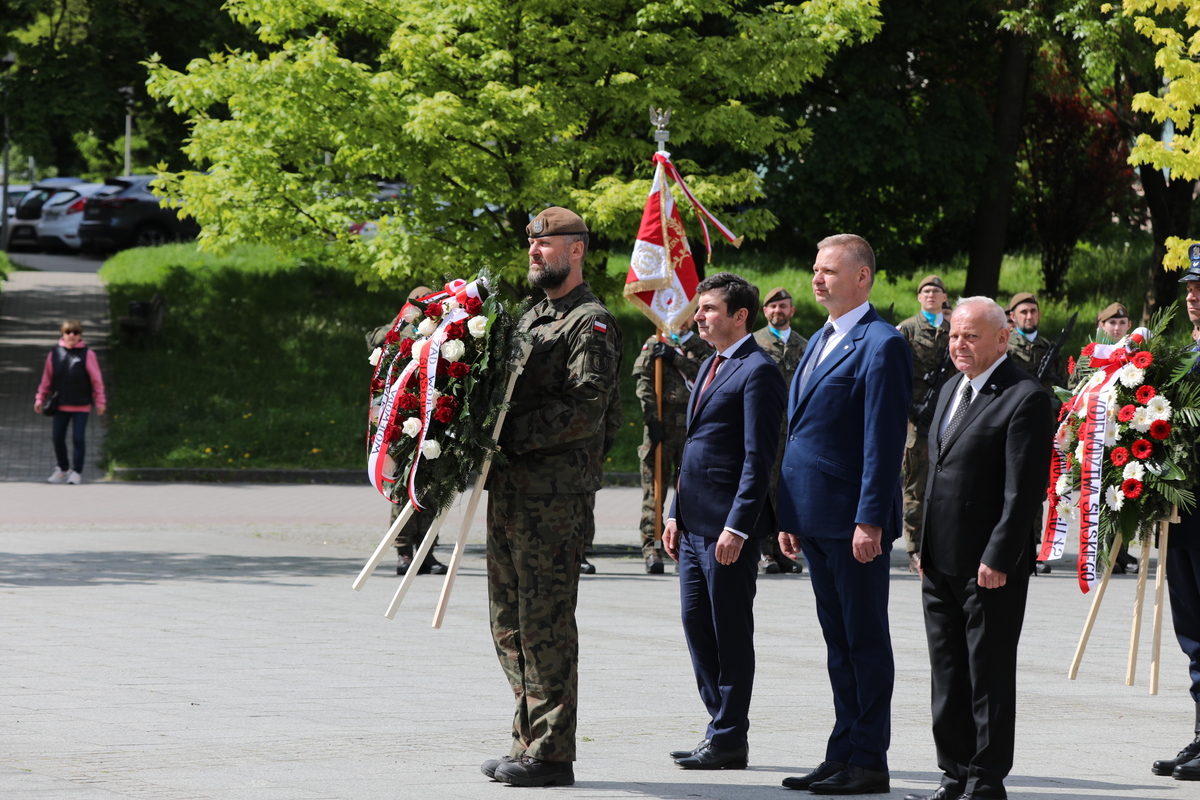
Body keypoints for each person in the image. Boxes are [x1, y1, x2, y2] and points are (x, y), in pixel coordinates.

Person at [479, 206, 621, 788]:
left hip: (554, 499)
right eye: (531, 243)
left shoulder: (591, 324)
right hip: (510, 490)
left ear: (577, 250)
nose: (536, 251)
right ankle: (528, 739)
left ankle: (554, 753)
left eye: (547, 243)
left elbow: (586, 411)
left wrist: (508, 434)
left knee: (546, 624)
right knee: (508, 623)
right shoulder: (530, 318)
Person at [777, 234, 912, 795]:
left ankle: (869, 760)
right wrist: (787, 514)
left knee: (864, 642)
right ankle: (842, 750)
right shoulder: (819, 341)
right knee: (838, 644)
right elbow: (800, 430)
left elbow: (882, 441)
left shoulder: (881, 344)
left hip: (853, 521)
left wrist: (871, 519)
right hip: (813, 516)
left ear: (862, 278)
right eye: (814, 269)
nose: (817, 278)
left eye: (829, 270)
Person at [905, 297, 1052, 800]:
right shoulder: (950, 388)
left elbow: (1022, 491)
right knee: (947, 673)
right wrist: (921, 545)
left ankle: (986, 780)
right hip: (939, 559)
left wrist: (1000, 556)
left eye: (970, 336)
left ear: (1001, 339)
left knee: (987, 673)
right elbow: (934, 475)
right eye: (953, 336)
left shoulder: (1024, 396)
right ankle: (954, 773)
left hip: (989, 565)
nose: (959, 345)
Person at [663, 272, 786, 771]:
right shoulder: (711, 362)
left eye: (709, 309)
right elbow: (691, 446)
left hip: (726, 530)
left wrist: (738, 526)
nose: (699, 317)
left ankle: (731, 735)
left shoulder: (759, 370)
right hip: (692, 524)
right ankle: (720, 729)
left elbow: (760, 457)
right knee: (698, 626)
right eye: (699, 309)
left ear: (740, 316)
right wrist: (673, 511)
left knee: (729, 631)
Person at [1151, 260, 1200, 783]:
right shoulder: (1184, 354)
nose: (1193, 296)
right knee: (1193, 631)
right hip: (1184, 511)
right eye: (1190, 287)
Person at [366, 286, 447, 576]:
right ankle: (403, 551)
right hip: (401, 421)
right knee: (403, 485)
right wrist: (404, 321)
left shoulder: (440, 328)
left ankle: (426, 552)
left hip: (433, 418)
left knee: (433, 487)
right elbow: (375, 342)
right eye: (421, 305)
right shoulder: (396, 331)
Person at [633, 319, 710, 574]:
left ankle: (686, 548)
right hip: (661, 428)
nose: (683, 320)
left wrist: (675, 358)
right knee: (654, 491)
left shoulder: (703, 345)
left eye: (688, 313)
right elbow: (644, 383)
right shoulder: (655, 343)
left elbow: (707, 375)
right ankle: (652, 548)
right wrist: (651, 419)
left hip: (692, 429)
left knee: (690, 491)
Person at [897, 275, 951, 573]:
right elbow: (895, 376)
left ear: (945, 297)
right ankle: (914, 549)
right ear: (919, 297)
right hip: (916, 421)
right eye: (925, 291)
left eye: (936, 291)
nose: (931, 295)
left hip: (948, 419)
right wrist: (912, 409)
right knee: (915, 486)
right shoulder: (907, 329)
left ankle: (938, 545)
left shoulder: (955, 330)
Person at [753, 286, 808, 575]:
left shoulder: (806, 345)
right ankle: (764, 551)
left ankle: (782, 550)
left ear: (792, 311)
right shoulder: (754, 343)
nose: (778, 311)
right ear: (765, 312)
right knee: (762, 488)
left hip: (796, 433)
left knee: (787, 491)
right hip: (765, 430)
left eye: (783, 306)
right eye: (773, 307)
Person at [34, 319, 106, 484]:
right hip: (61, 404)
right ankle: (63, 468)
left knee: (78, 438)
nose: (72, 335)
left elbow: (97, 381)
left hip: (82, 404)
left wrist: (100, 402)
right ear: (63, 334)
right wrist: (40, 398)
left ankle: (77, 472)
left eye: (76, 332)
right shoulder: (54, 354)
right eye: (68, 332)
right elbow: (47, 380)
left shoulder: (88, 354)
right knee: (58, 438)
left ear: (80, 335)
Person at [1005, 292, 1066, 393]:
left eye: (1033, 311)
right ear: (1013, 316)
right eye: (1024, 312)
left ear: (1039, 314)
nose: (1029, 317)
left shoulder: (1049, 348)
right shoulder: (1004, 348)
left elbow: (1063, 384)